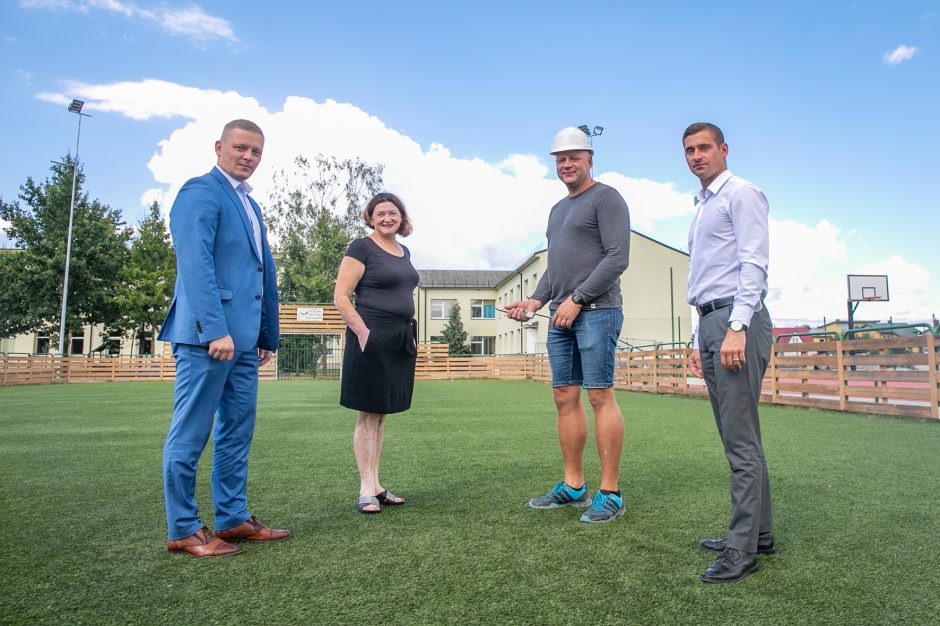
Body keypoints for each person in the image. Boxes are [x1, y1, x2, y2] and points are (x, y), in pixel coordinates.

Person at [159, 119, 289, 557]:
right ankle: (183, 527)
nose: (248, 157)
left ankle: (232, 518)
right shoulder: (200, 192)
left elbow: (263, 273)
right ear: (219, 147)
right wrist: (215, 328)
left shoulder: (251, 206)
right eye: (241, 148)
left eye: (256, 151)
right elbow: (194, 265)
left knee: (237, 431)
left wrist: (267, 333)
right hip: (208, 339)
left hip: (247, 343)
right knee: (191, 432)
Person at [506, 127, 630, 523]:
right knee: (564, 396)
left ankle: (609, 493)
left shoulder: (606, 198)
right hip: (561, 315)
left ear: (590, 159)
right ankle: (574, 486)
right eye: (560, 159)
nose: (567, 164)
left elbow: (616, 258)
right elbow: (555, 267)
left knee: (599, 396)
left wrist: (576, 300)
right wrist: (535, 300)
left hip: (597, 311)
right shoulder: (558, 210)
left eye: (574, 157)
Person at [682, 122, 774, 583]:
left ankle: (742, 550)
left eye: (704, 148)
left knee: (740, 440)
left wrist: (737, 326)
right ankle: (760, 534)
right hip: (712, 321)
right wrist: (699, 336)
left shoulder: (742, 193)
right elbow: (705, 277)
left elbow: (753, 261)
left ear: (724, 149)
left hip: (737, 320)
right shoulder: (702, 206)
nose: (697, 156)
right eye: (689, 150)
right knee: (740, 437)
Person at [334, 192, 419, 514]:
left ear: (401, 217)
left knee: (380, 415)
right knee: (368, 414)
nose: (387, 218)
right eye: (380, 213)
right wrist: (362, 331)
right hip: (370, 332)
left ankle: (377, 485)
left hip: (399, 335)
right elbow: (341, 296)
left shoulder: (403, 250)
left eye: (393, 213)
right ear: (370, 217)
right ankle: (365, 488)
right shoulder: (361, 247)